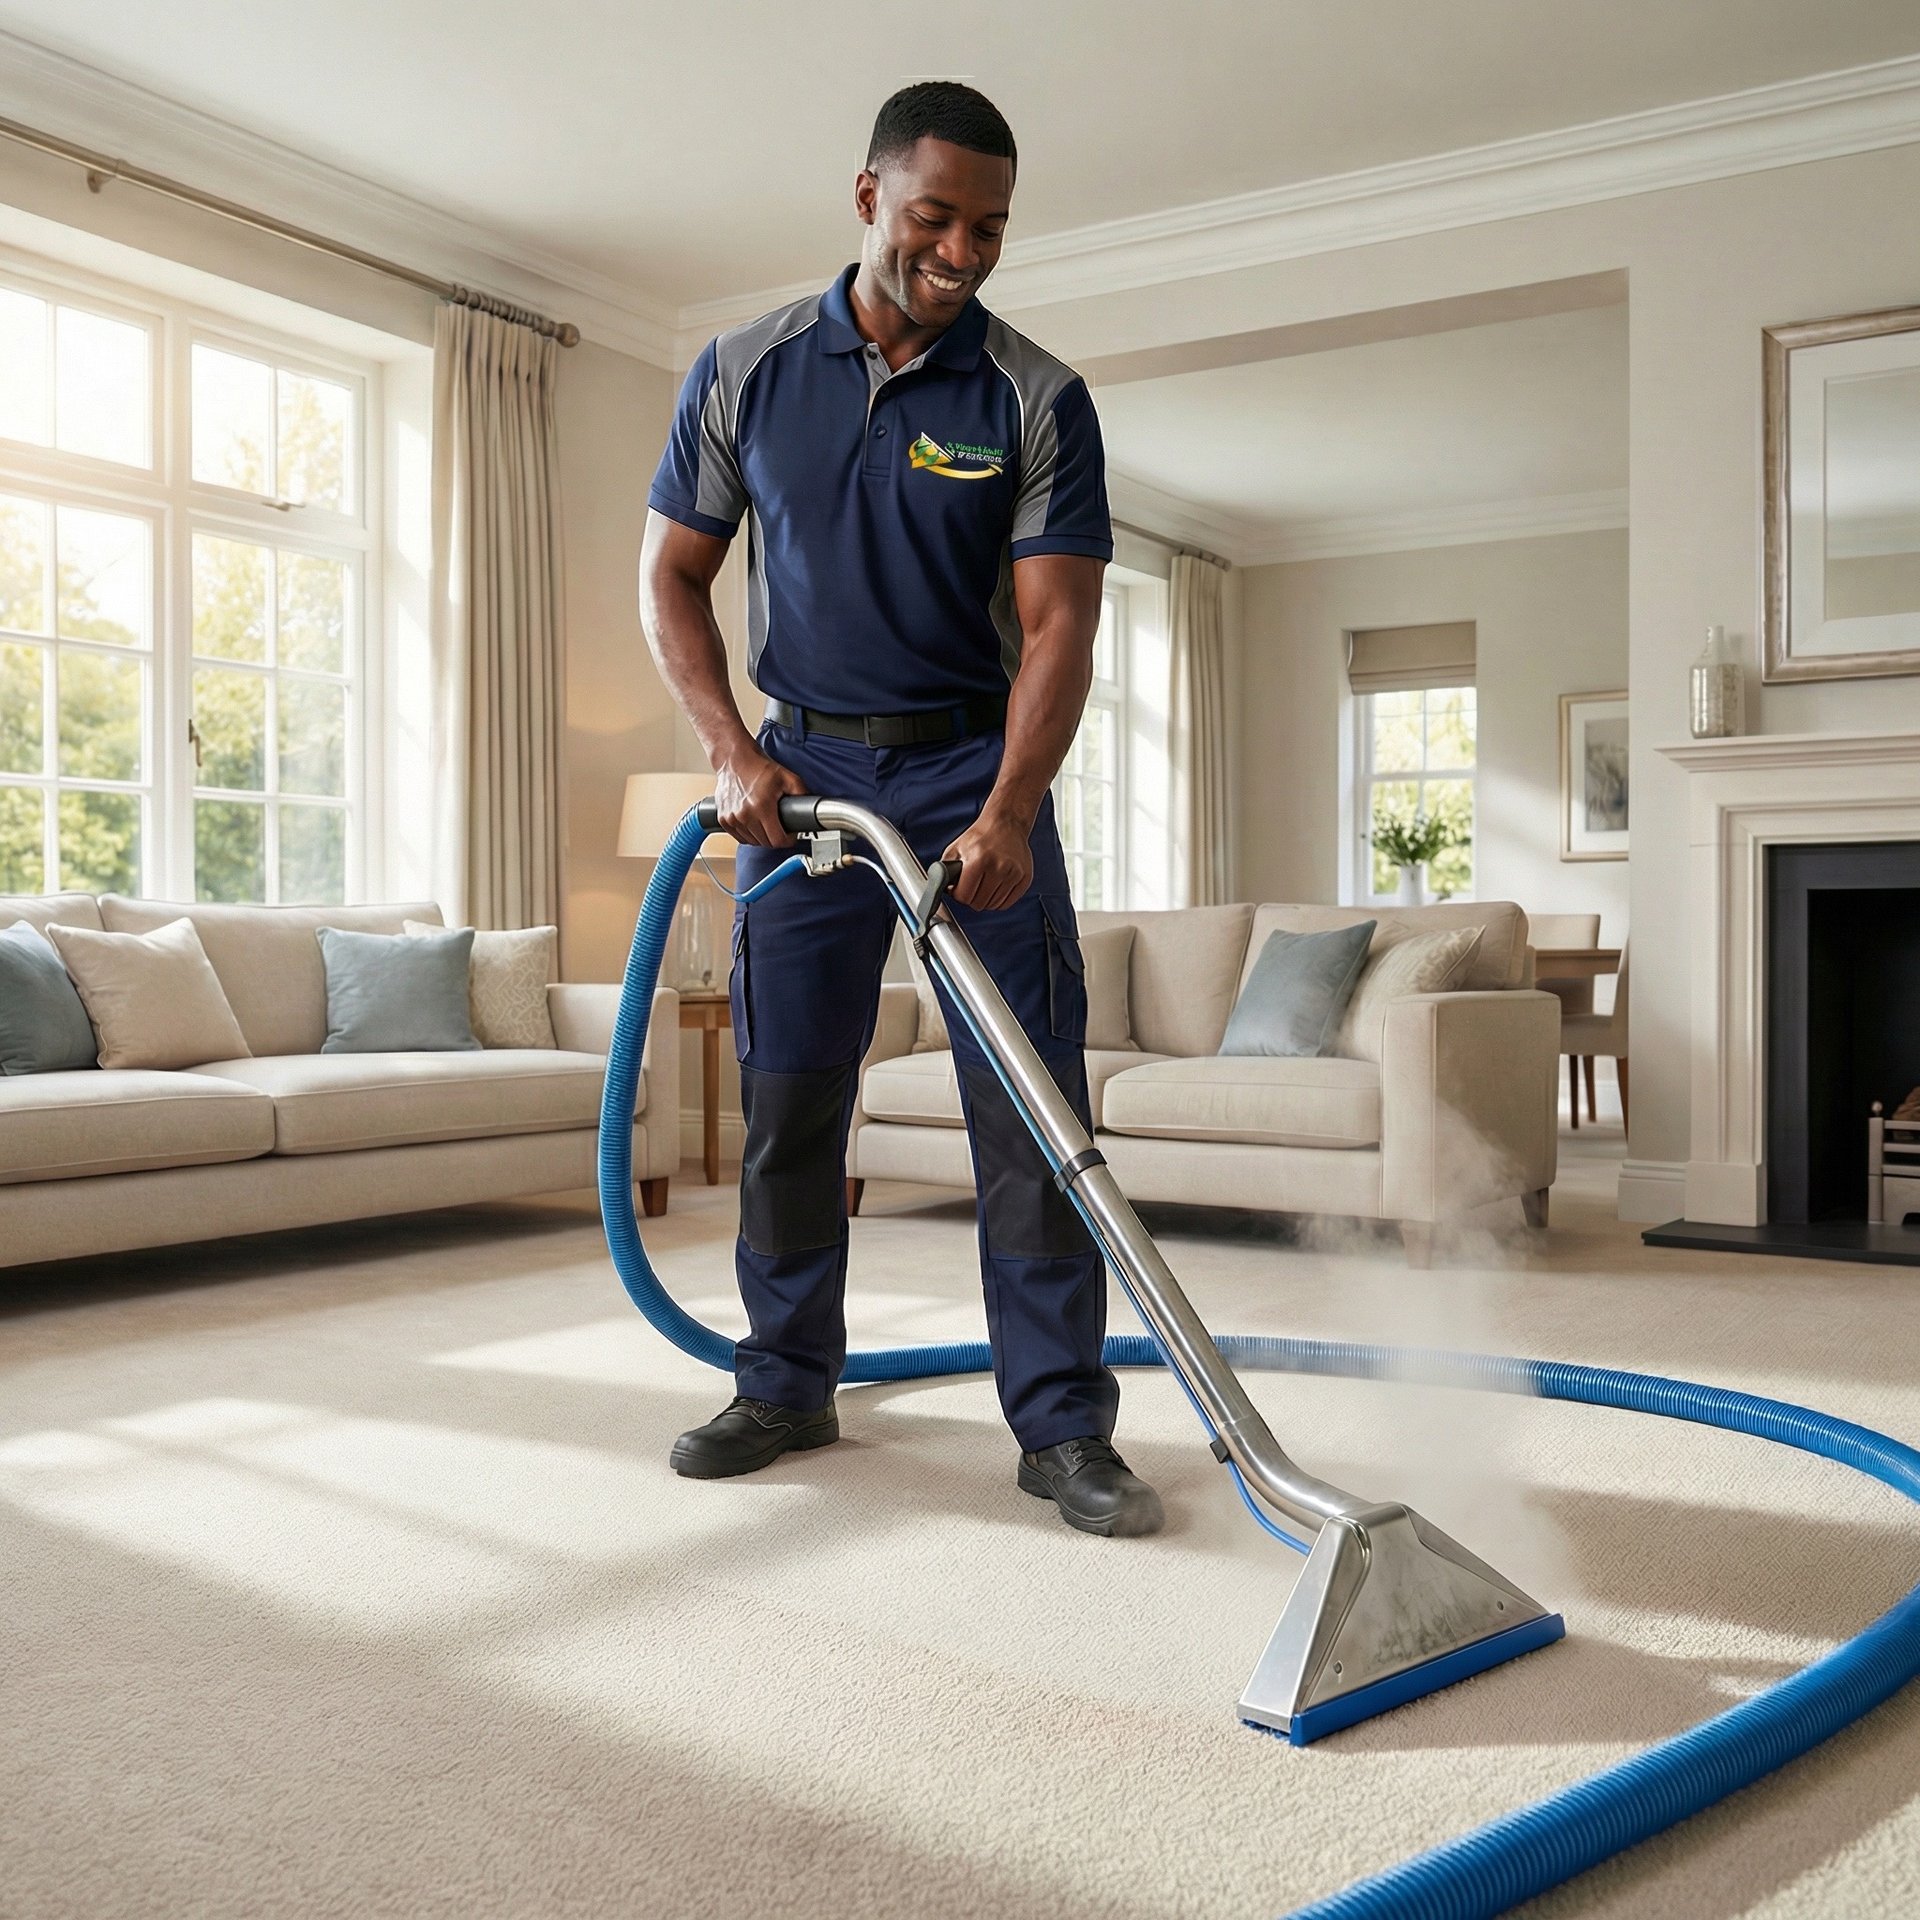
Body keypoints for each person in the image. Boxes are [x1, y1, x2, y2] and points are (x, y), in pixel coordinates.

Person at [638, 81, 1161, 1538]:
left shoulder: (1035, 398)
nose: (964, 249)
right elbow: (673, 574)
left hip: (966, 773)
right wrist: (734, 753)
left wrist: (1007, 812)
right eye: (936, 215)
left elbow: (1060, 629)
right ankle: (787, 1380)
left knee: (1027, 1110)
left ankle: (1063, 1428)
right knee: (794, 1099)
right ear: (867, 195)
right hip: (802, 784)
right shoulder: (745, 370)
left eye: (990, 226)